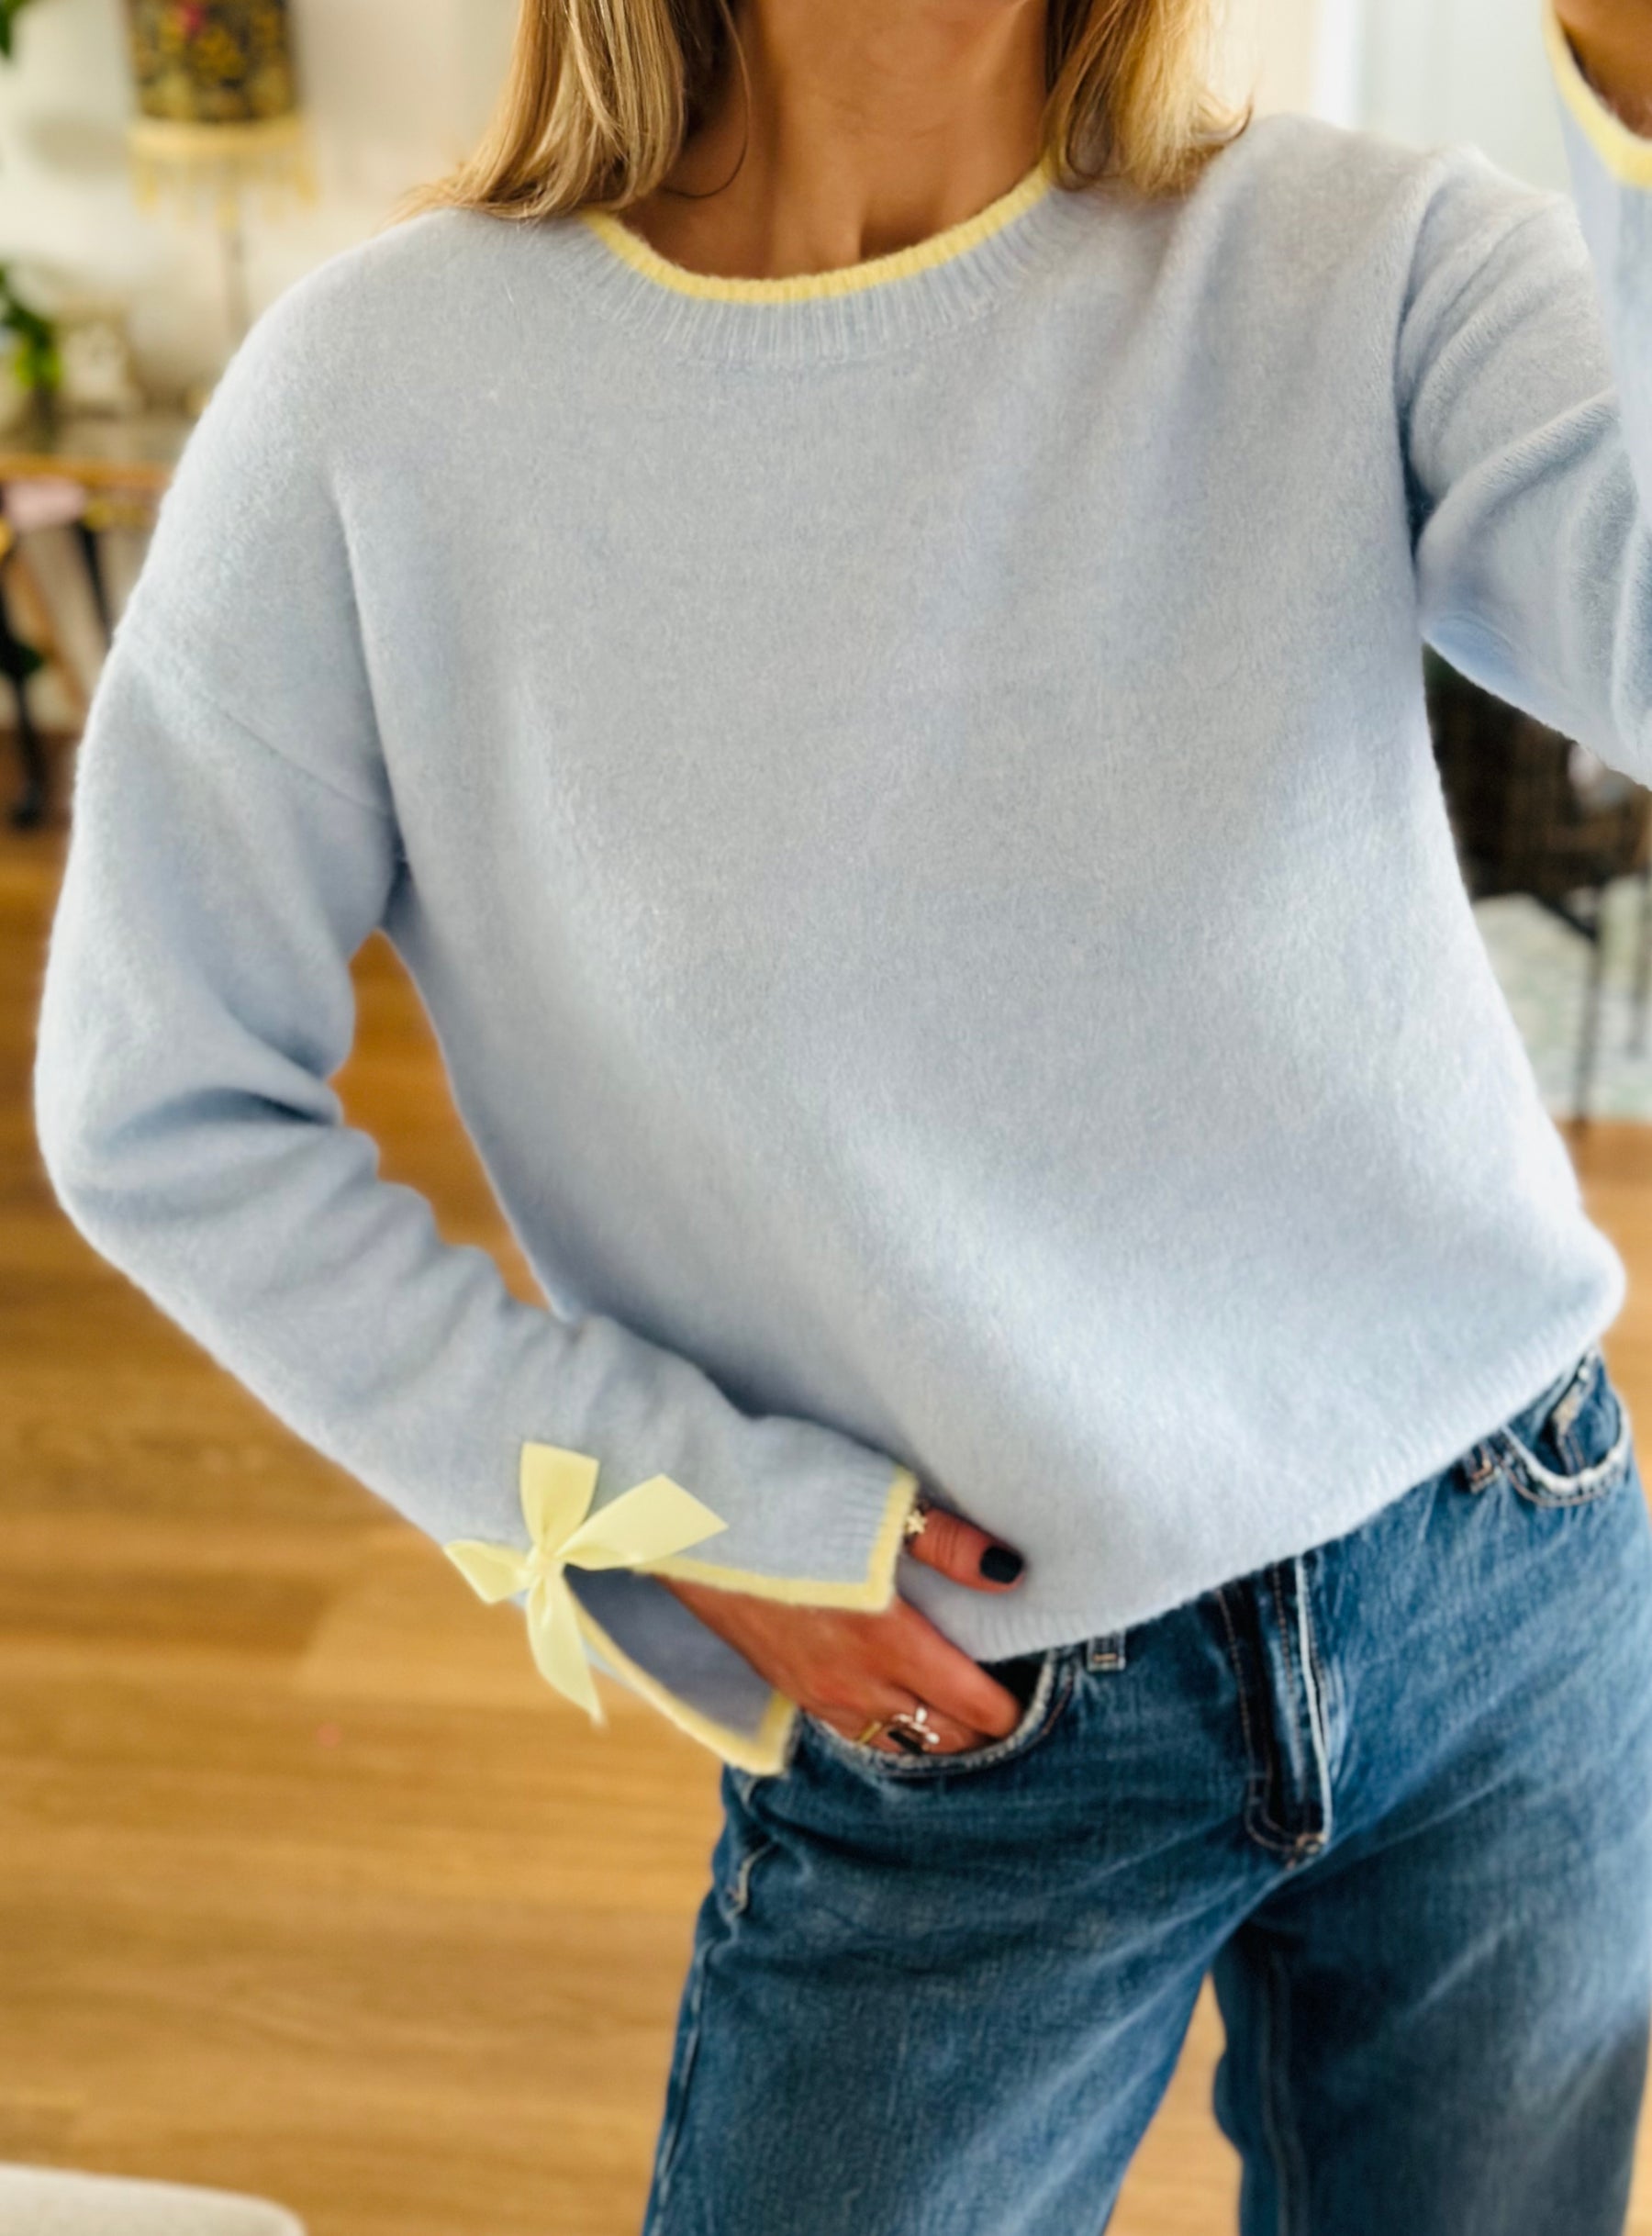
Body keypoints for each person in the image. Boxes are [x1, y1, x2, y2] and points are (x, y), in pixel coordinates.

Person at [30, 0, 1652, 2226]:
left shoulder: (1360, 259)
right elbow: (159, 1105)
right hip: (968, 1716)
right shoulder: (380, 408)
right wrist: (653, 1499)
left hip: (1508, 1565)